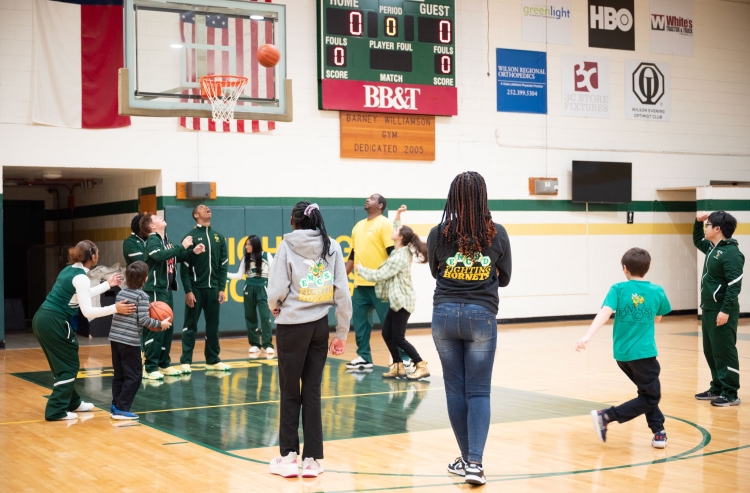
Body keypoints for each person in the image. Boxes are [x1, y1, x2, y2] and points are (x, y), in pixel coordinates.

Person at [427, 171, 512, 486]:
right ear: (483, 197)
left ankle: (467, 460)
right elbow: (505, 278)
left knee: (454, 389)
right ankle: (474, 462)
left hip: (444, 315)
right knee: (478, 391)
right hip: (482, 316)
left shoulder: (439, 233)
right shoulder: (497, 233)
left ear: (454, 198)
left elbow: (436, 275)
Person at [266, 202, 352, 478]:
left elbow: (277, 288)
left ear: (293, 221)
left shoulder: (287, 246)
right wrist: (340, 333)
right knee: (311, 391)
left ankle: (289, 457)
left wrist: (274, 305)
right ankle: (312, 460)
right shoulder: (333, 246)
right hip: (318, 327)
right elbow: (342, 293)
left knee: (290, 391)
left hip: (292, 326)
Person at [576, 248, 672, 449]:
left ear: (624, 269)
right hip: (644, 354)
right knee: (651, 396)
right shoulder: (657, 291)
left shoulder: (618, 288)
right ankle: (607, 416)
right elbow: (658, 318)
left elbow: (605, 312)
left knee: (646, 393)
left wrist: (587, 336)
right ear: (648, 268)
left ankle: (658, 431)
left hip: (622, 355)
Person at [31, 240, 135, 421]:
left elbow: (81, 295)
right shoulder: (81, 278)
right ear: (93, 256)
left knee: (62, 364)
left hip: (42, 318)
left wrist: (107, 285)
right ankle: (56, 410)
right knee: (69, 366)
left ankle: (73, 402)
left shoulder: (70, 271)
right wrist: (115, 309)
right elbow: (87, 311)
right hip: (54, 321)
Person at [354, 205, 430, 380]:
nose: (393, 230)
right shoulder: (398, 249)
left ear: (400, 237)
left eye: (397, 231)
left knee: (398, 337)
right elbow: (397, 228)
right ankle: (398, 366)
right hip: (397, 301)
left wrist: (361, 269)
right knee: (387, 333)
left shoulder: (400, 257)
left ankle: (420, 364)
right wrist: (398, 215)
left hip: (403, 301)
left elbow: (380, 275)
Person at [140, 213, 203, 379]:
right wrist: (182, 246)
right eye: (156, 218)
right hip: (154, 289)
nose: (161, 217)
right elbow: (159, 256)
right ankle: (150, 367)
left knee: (167, 327)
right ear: (152, 226)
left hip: (165, 289)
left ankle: (163, 363)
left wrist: (192, 252)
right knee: (155, 327)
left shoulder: (165, 240)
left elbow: (176, 256)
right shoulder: (153, 239)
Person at [345, 193, 404, 371]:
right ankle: (364, 357)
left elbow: (391, 253)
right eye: (367, 197)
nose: (367, 199)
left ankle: (403, 358)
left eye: (372, 198)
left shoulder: (385, 224)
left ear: (380, 205)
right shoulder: (358, 226)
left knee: (391, 324)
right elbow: (352, 255)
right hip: (361, 284)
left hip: (382, 284)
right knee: (361, 323)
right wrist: (339, 279)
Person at [693, 211, 744, 406]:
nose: (706, 228)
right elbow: (698, 240)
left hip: (722, 310)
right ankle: (717, 387)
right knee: (711, 351)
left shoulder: (731, 253)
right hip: (708, 309)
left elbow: (734, 285)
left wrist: (725, 310)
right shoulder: (713, 248)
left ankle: (730, 392)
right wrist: (697, 223)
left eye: (708, 225)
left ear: (717, 229)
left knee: (724, 351)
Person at [109, 261, 171, 420]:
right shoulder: (142, 296)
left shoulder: (121, 293)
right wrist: (160, 324)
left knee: (119, 374)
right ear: (145, 279)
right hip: (129, 341)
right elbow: (144, 320)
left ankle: (115, 406)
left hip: (115, 339)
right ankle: (122, 409)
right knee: (135, 376)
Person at [179, 204, 231, 373]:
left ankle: (213, 360)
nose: (207, 208)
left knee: (213, 326)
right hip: (195, 289)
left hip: (213, 289)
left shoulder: (219, 237)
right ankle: (186, 361)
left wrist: (221, 288)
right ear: (196, 215)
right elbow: (184, 266)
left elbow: (223, 265)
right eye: (202, 207)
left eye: (207, 207)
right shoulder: (190, 237)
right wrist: (188, 290)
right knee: (190, 325)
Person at [227, 235, 275, 355]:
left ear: (255, 245)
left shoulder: (266, 256)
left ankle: (267, 344)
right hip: (249, 288)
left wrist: (272, 290)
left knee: (265, 317)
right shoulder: (245, 258)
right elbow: (239, 275)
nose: (246, 246)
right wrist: (225, 273)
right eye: (246, 244)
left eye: (249, 244)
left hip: (263, 288)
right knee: (250, 317)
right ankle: (255, 344)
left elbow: (274, 273)